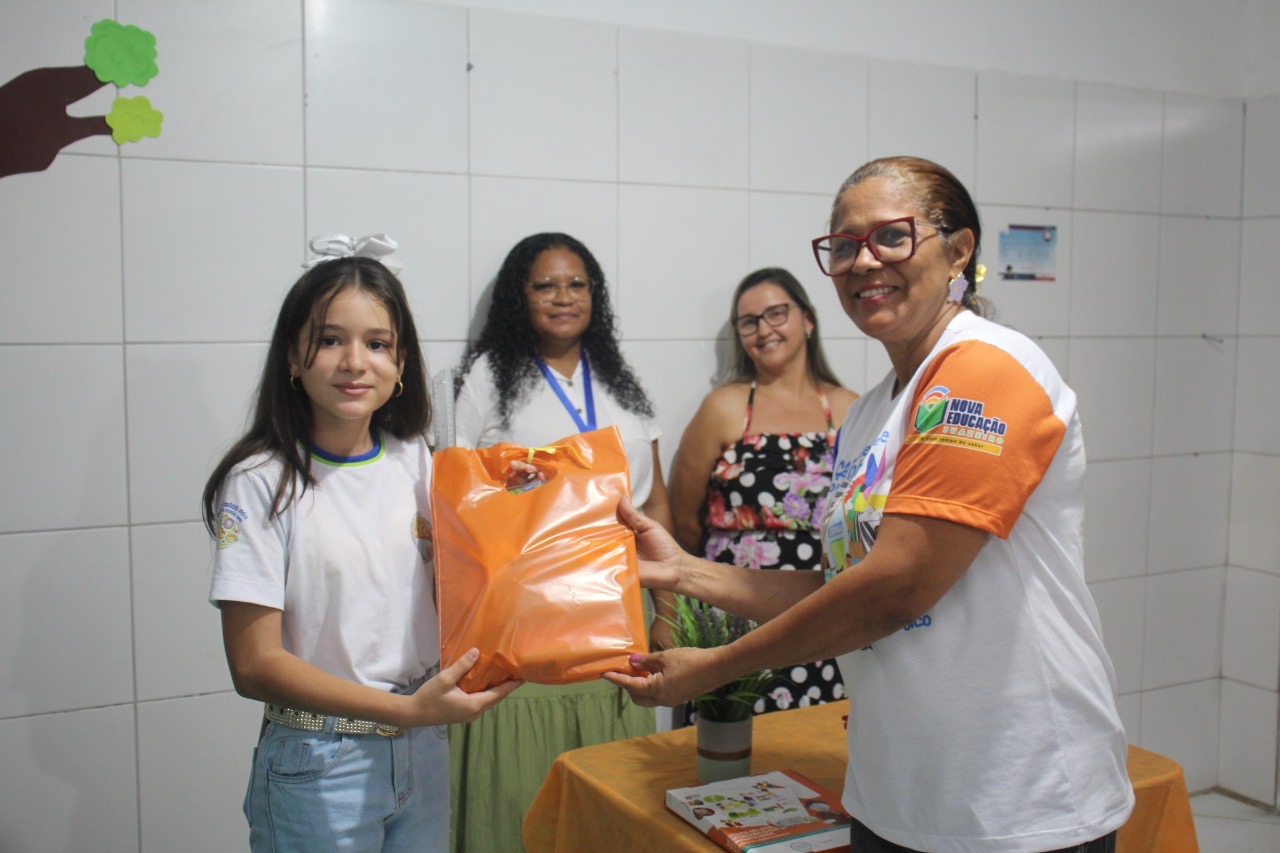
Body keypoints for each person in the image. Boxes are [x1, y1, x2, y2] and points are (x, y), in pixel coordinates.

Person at [606, 157, 1135, 852]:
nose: (863, 261)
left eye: (891, 236)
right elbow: (842, 585)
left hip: (1017, 795)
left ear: (959, 250)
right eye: (844, 245)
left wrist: (714, 667)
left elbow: (896, 588)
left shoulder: (986, 367)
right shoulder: (871, 413)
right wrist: (685, 571)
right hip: (897, 791)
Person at [203, 236, 520, 851]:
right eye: (329, 340)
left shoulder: (415, 460)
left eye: (377, 344)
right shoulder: (261, 479)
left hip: (422, 747)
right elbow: (253, 665)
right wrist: (405, 712)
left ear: (401, 364)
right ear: (291, 357)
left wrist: (522, 503)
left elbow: (464, 585)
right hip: (320, 758)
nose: (355, 362)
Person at [449, 231, 675, 851]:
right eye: (544, 285)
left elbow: (657, 503)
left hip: (621, 611)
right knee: (521, 788)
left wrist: (668, 614)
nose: (563, 296)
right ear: (518, 297)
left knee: (614, 790)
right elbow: (458, 492)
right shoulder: (488, 377)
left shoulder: (622, 382)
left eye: (577, 284)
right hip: (526, 621)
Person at [667, 267, 857, 717]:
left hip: (822, 611)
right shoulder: (724, 408)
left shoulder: (850, 408)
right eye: (749, 322)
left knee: (815, 739)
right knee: (731, 740)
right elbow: (684, 519)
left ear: (807, 319)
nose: (764, 330)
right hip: (735, 614)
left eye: (776, 314)